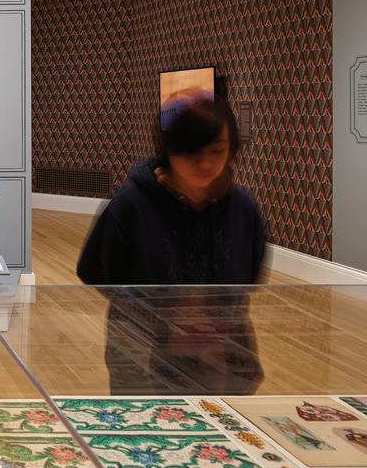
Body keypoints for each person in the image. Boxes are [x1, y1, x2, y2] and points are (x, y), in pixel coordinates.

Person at [76, 97, 266, 394]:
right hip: (144, 357)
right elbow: (94, 270)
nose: (205, 163)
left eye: (217, 151)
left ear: (232, 150)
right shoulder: (131, 205)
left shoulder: (242, 208)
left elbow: (249, 277)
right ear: (170, 150)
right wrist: (158, 316)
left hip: (222, 358)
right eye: (192, 151)